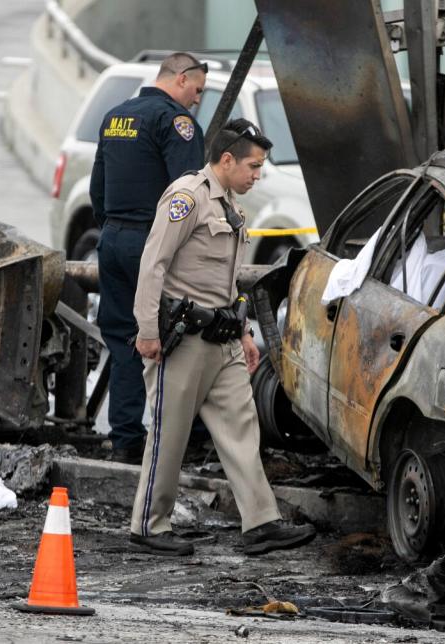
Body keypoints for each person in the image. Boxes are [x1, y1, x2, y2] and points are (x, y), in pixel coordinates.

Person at [129, 119, 316, 556]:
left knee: (241, 427)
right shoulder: (187, 198)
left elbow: (227, 279)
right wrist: (147, 331)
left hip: (225, 337)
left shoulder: (231, 205)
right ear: (226, 159)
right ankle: (148, 526)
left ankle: (260, 523)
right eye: (252, 165)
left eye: (261, 167)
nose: (257, 174)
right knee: (169, 432)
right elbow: (153, 264)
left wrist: (246, 333)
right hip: (184, 338)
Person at [90, 52, 207, 464]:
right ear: (179, 78)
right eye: (196, 90)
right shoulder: (175, 123)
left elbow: (97, 189)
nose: (195, 100)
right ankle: (181, 442)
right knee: (176, 339)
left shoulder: (115, 116)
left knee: (125, 339)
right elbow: (188, 194)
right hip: (153, 244)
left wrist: (113, 230)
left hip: (113, 240)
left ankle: (125, 439)